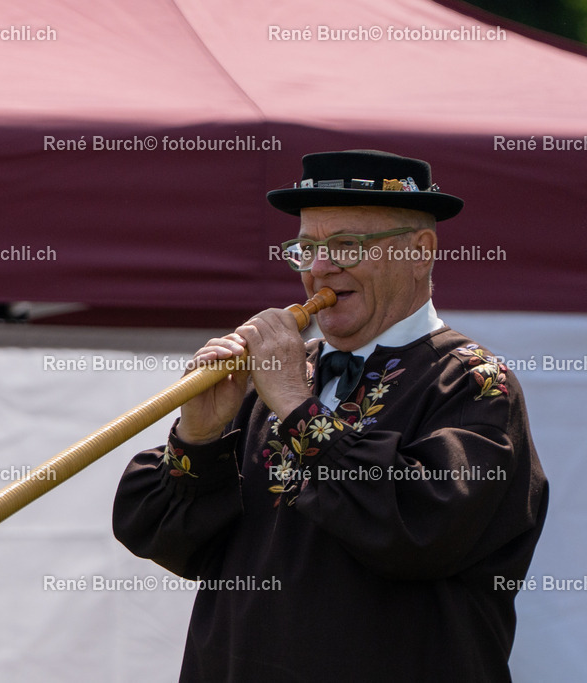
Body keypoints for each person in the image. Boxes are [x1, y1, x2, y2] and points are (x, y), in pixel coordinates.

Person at [112, 150, 548, 682]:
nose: (320, 267)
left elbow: (418, 532)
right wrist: (198, 438)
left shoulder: (474, 383)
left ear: (420, 252)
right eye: (306, 248)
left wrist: (298, 407)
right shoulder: (277, 378)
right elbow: (167, 542)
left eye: (346, 245)